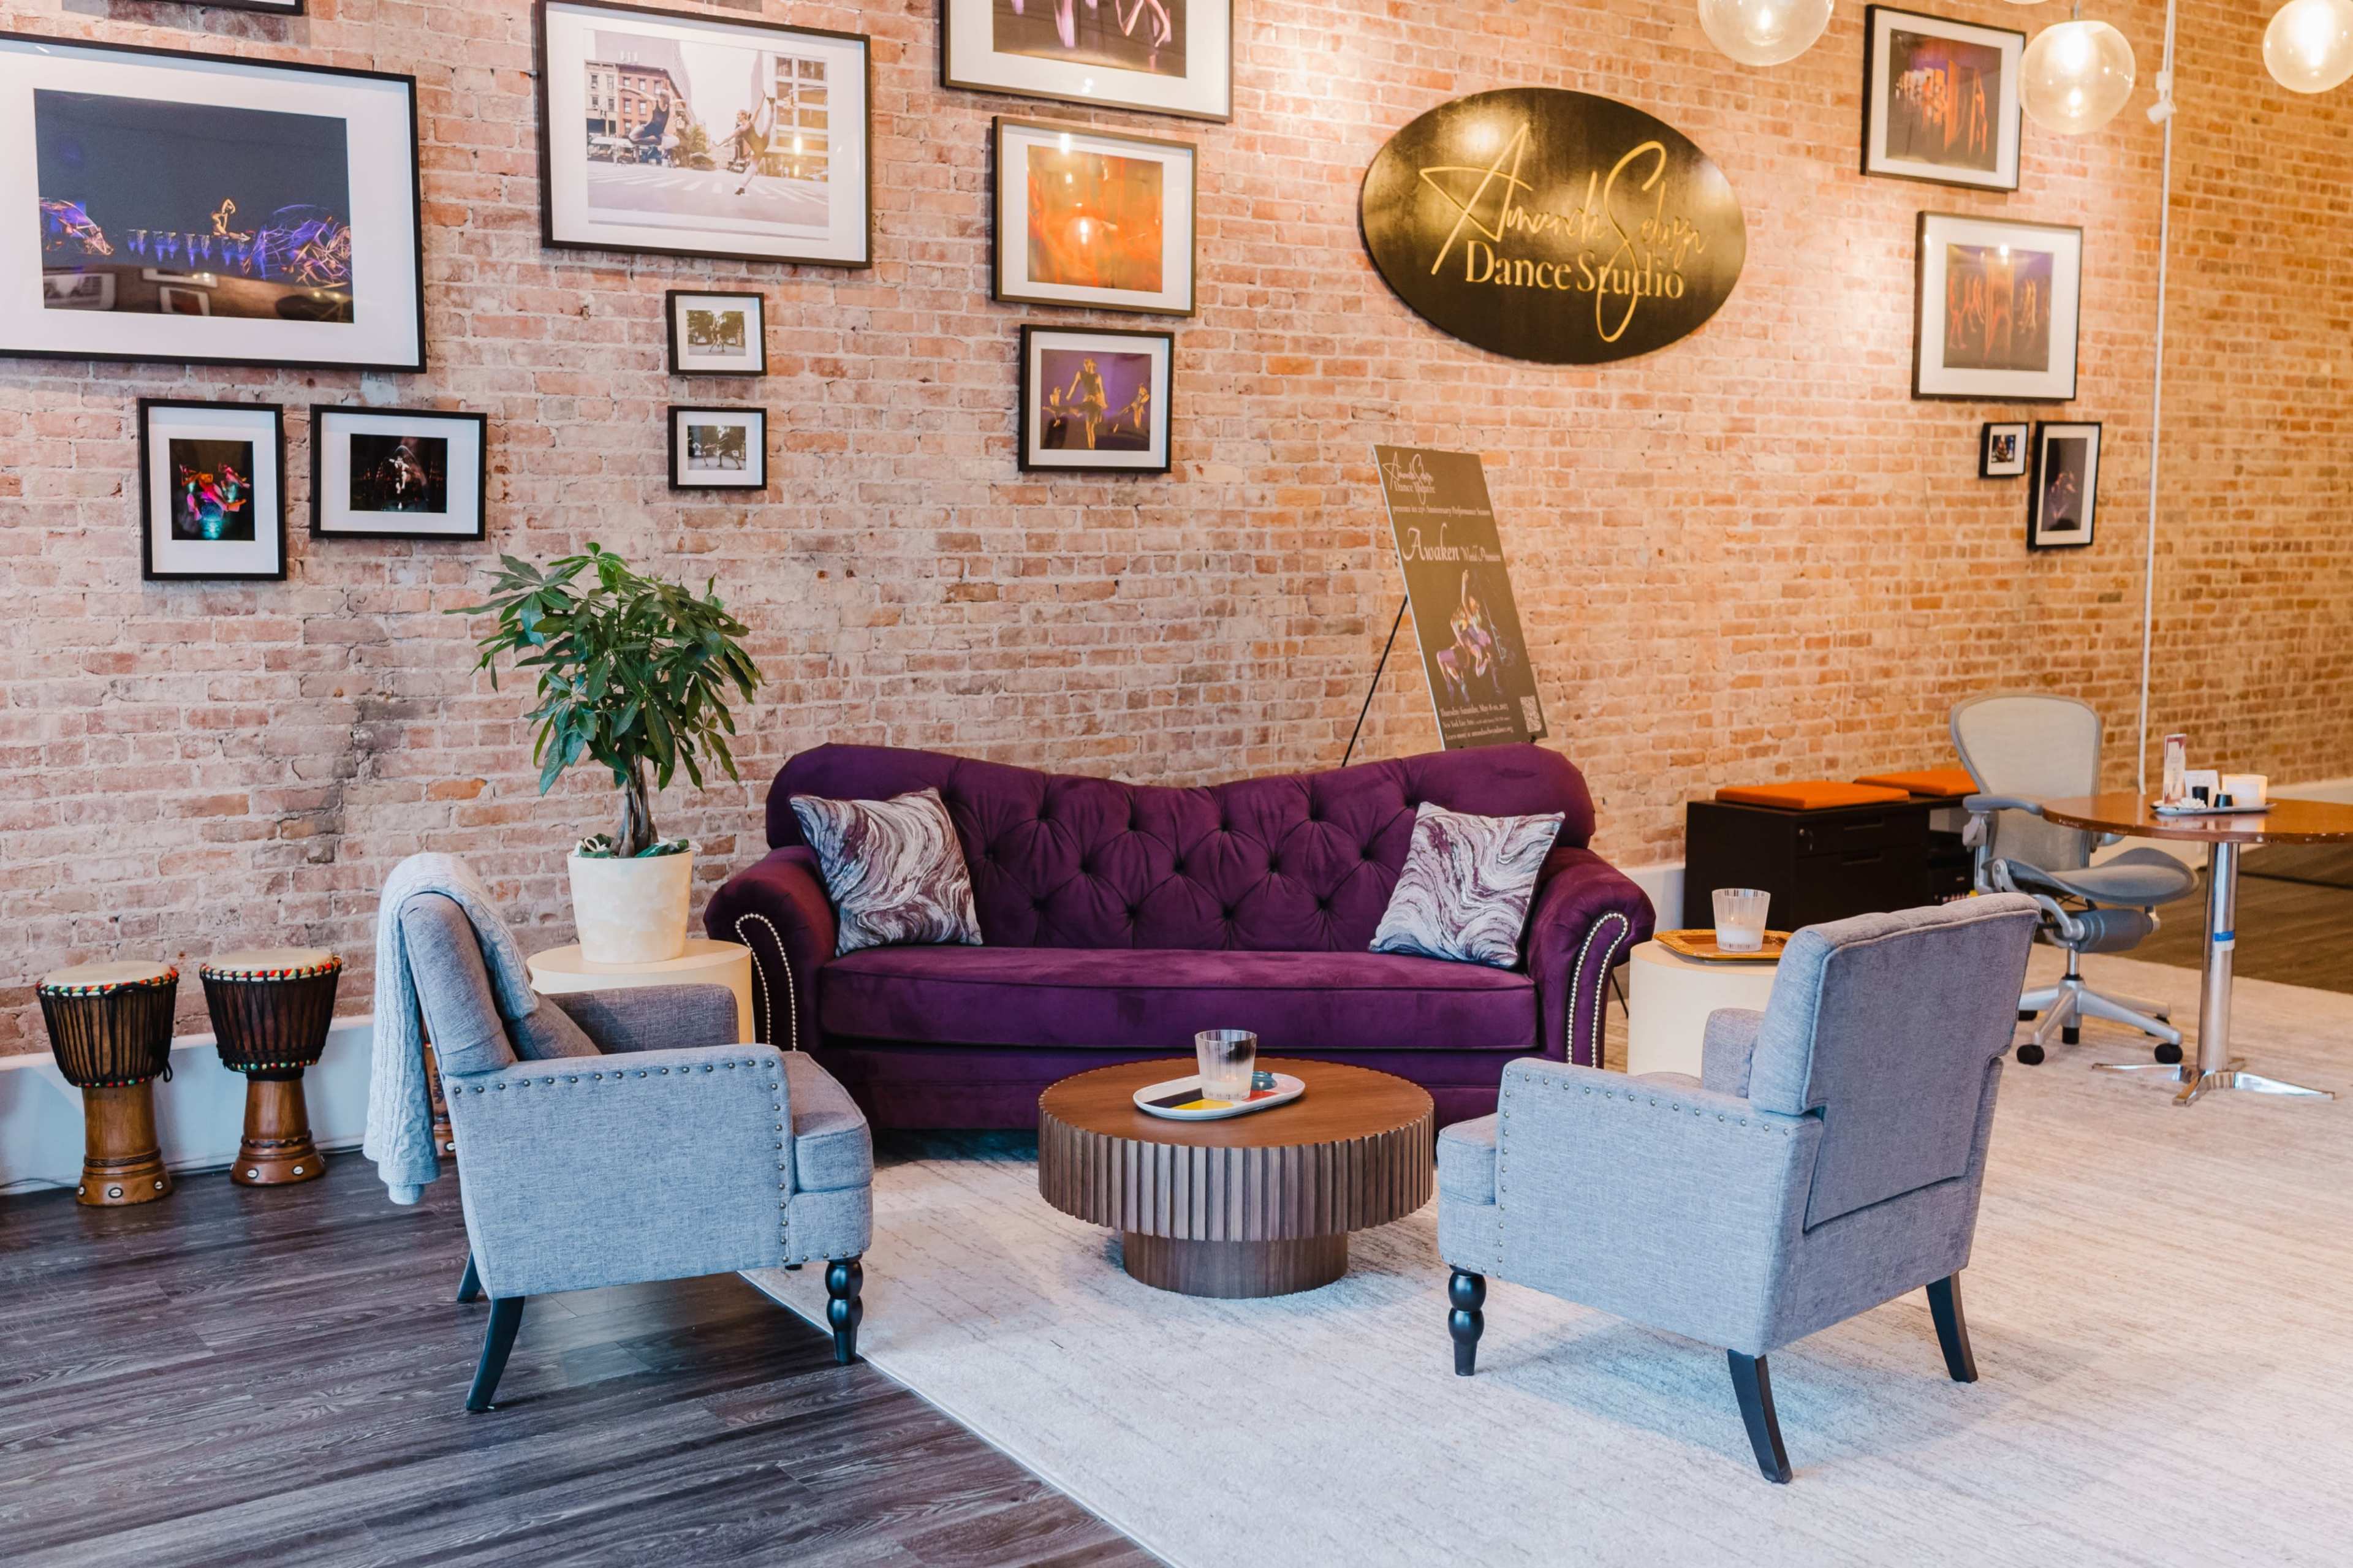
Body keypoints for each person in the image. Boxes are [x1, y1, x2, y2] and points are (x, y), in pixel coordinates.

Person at [1062, 357, 1108, 449]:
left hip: (1095, 403)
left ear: (1092, 364)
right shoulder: (1080, 374)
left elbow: (1102, 391)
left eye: (1087, 363)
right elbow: (1074, 386)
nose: (1085, 364)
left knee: (1090, 428)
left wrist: (1104, 403)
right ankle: (1077, 412)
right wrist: (1069, 395)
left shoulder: (1097, 376)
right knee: (1069, 409)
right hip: (1087, 402)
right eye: (1084, 363)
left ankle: (1092, 450)